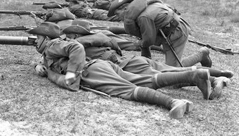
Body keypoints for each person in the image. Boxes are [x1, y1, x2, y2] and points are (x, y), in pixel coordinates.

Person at [29, 22, 211, 119]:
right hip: (102, 65)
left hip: (92, 71)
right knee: (147, 80)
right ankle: (193, 75)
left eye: (37, 38)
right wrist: (39, 66)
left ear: (46, 38)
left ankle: (173, 103)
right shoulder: (50, 51)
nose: (35, 42)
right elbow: (51, 60)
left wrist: (70, 75)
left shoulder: (52, 46)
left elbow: (75, 49)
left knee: (129, 90)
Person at [61, 22, 233, 100]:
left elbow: (71, 55)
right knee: (171, 71)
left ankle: (209, 72)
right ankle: (216, 77)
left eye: (69, 36)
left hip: (128, 65)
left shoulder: (79, 44)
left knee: (170, 77)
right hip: (134, 60)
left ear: (76, 35)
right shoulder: (99, 38)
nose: (67, 39)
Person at [108, 0, 211, 67]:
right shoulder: (140, 8)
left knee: (172, 73)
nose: (118, 18)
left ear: (125, 8)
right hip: (168, 32)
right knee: (171, 70)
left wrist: (139, 43)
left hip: (176, 32)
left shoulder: (143, 17)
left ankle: (202, 54)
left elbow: (148, 40)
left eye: (118, 14)